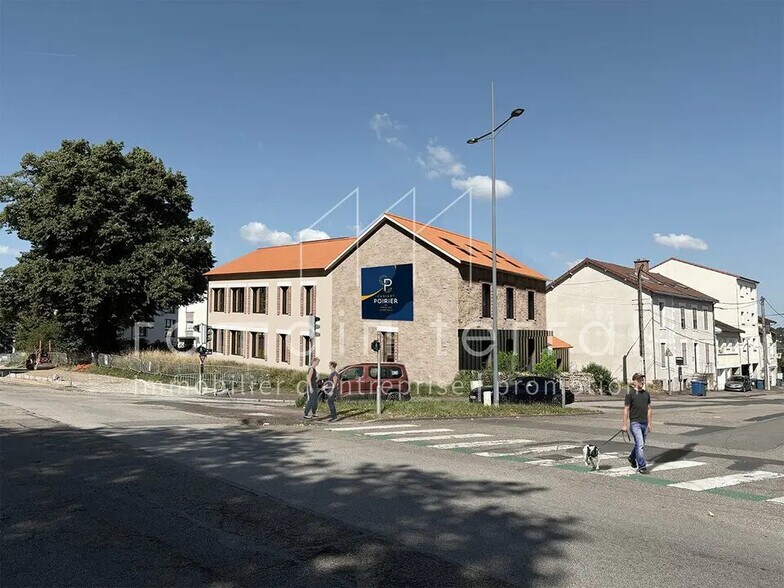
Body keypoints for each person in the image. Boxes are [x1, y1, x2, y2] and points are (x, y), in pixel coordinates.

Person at [622, 372, 652, 473]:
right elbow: (626, 409)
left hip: (644, 423)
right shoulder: (630, 394)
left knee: (640, 444)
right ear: (634, 382)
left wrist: (649, 423)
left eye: (642, 380)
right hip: (635, 423)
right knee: (640, 445)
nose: (641, 382)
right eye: (639, 380)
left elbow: (649, 409)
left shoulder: (646, 394)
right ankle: (642, 466)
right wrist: (624, 425)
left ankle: (631, 457)